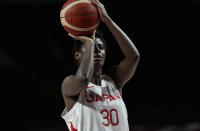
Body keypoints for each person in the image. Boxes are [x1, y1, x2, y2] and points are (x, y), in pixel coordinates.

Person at [61, 0, 140, 130]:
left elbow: (134, 57)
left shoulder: (113, 81)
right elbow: (83, 79)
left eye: (101, 47)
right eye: (92, 46)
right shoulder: (69, 83)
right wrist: (89, 43)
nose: (97, 50)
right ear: (77, 55)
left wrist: (107, 20)